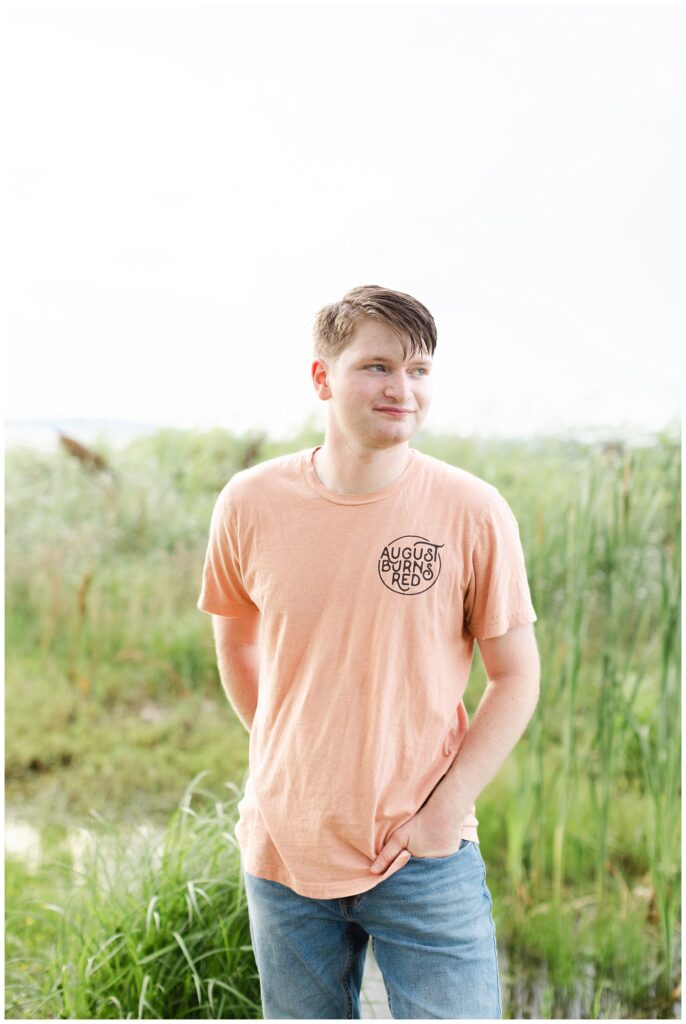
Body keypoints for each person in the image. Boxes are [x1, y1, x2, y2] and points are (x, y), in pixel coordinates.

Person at [197, 284, 541, 1019]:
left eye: (418, 370)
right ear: (322, 378)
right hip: (285, 853)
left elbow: (515, 679)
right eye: (377, 367)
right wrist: (286, 756)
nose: (402, 389)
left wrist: (443, 814)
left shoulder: (472, 510)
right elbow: (235, 635)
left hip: (424, 854)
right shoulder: (250, 503)